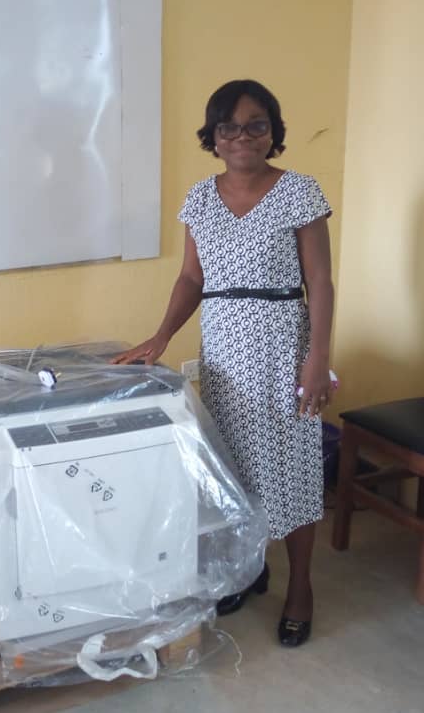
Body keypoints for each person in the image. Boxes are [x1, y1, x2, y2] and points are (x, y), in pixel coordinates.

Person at [112, 79, 334, 647]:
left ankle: (301, 586)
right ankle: (249, 568)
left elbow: (320, 282)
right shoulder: (199, 198)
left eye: (256, 124)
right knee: (233, 473)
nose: (242, 136)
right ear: (213, 136)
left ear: (273, 132)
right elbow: (191, 278)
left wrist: (317, 359)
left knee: (293, 473)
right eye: (228, 126)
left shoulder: (300, 192)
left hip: (283, 349)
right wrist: (161, 336)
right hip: (224, 356)